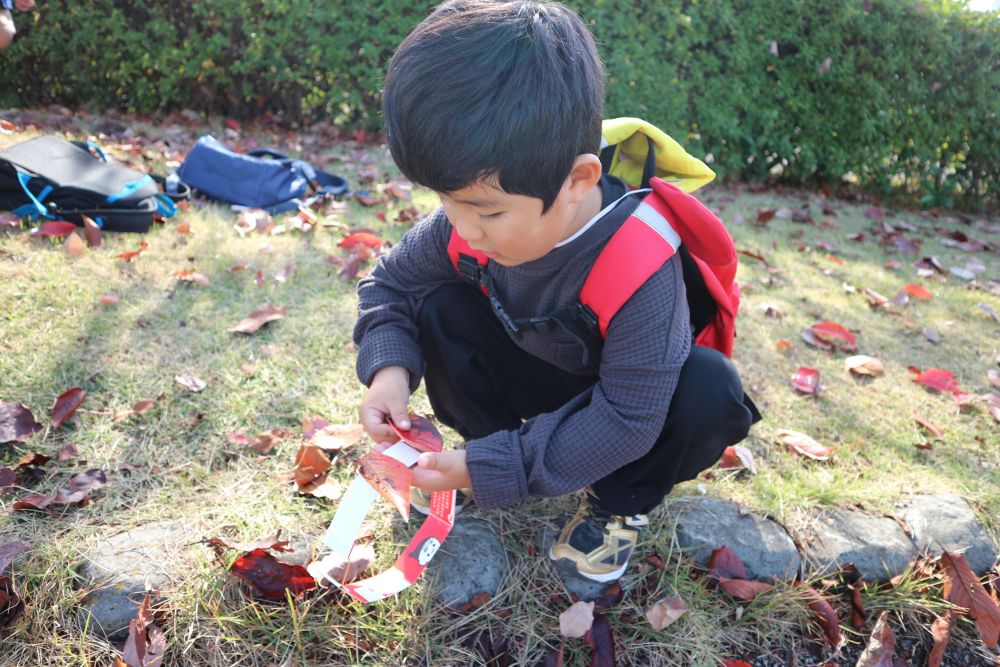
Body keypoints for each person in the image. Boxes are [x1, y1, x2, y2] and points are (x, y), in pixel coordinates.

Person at [355, 0, 761, 583]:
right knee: (438, 305)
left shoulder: (639, 261)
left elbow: (627, 416)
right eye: (446, 202)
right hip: (531, 370)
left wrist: (498, 468)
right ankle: (485, 454)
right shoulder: (467, 224)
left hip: (620, 405)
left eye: (486, 211)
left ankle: (615, 505)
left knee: (709, 391)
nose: (463, 228)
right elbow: (392, 282)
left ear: (577, 180)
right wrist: (388, 370)